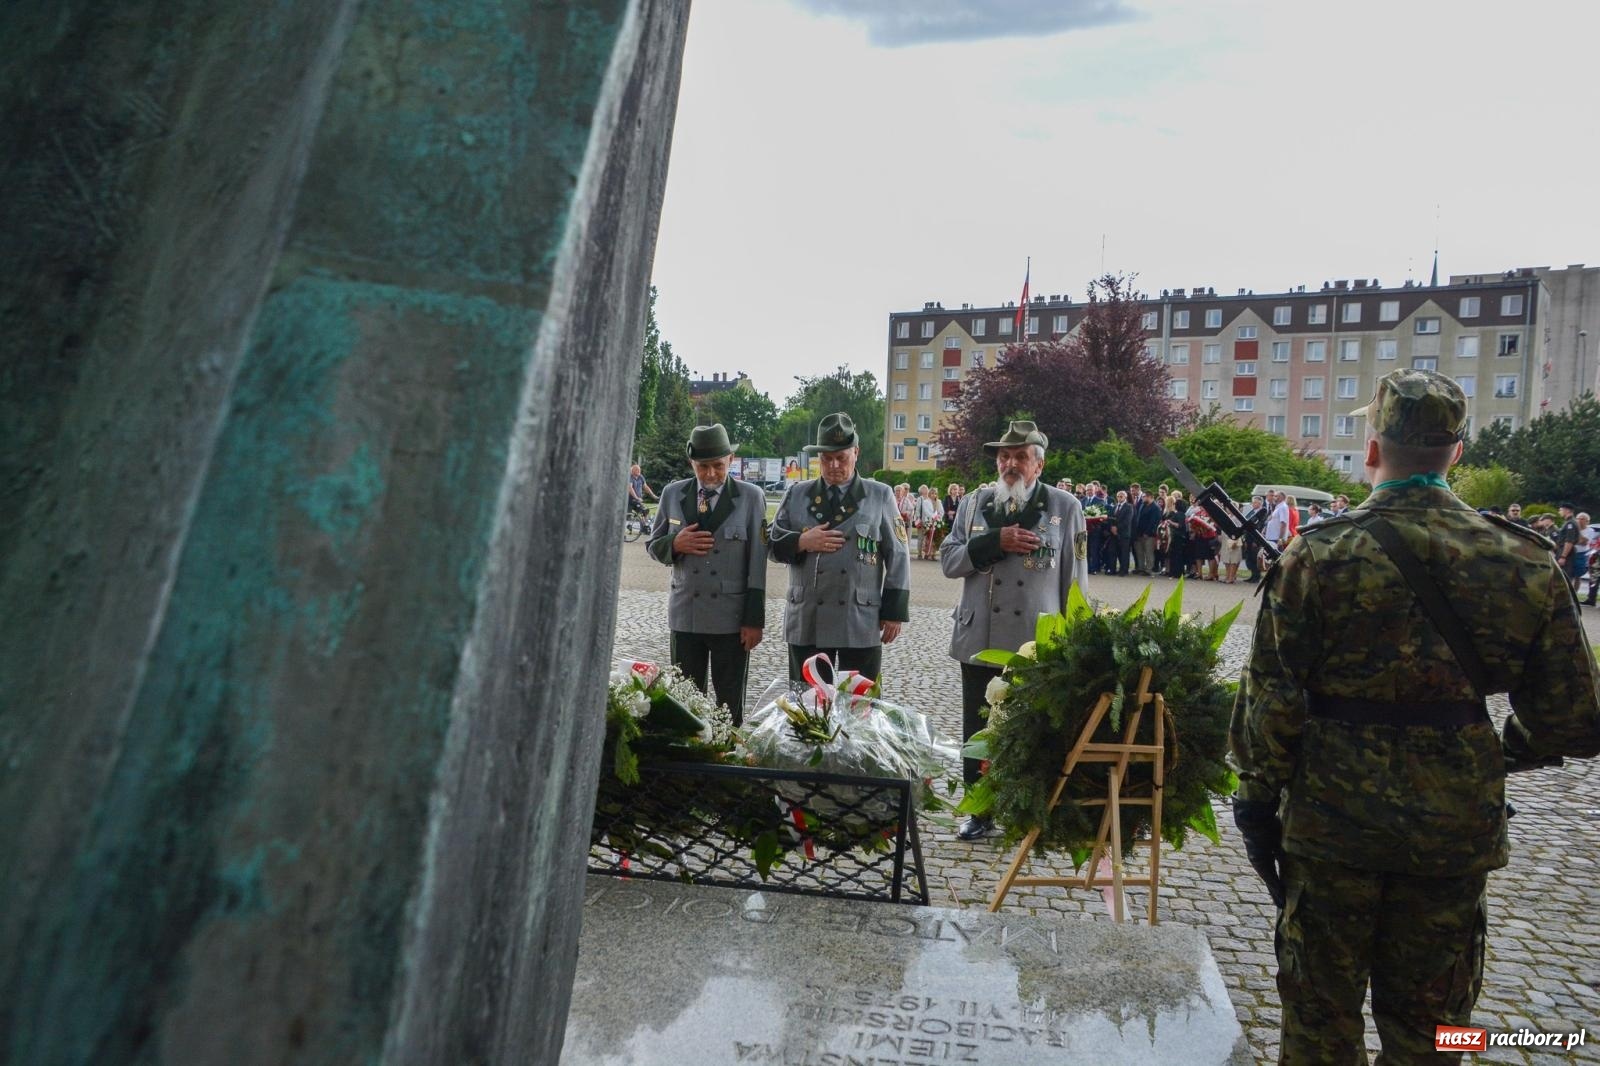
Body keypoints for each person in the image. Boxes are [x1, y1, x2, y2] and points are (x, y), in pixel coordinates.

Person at [1230, 369, 1600, 1063]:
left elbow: (1270, 705)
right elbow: (1574, 718)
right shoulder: (1523, 559)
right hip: (1451, 833)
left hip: (1332, 827)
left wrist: (1256, 798)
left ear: (1372, 449)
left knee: (1320, 1023)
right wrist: (1489, 751)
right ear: (1456, 453)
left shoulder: (1320, 553)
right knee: (1433, 1031)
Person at [941, 421, 1088, 840]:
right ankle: (979, 809)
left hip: (1034, 640)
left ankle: (1031, 813)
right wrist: (994, 542)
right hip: (980, 635)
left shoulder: (1064, 507)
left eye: (1020, 457)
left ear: (1038, 464)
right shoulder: (974, 503)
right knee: (978, 726)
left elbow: (1076, 583)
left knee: (1034, 729)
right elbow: (950, 561)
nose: (1010, 464)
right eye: (1004, 457)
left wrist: (1073, 641)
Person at [768, 413, 910, 683]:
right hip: (809, 616)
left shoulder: (879, 495)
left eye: (841, 458)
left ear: (855, 452)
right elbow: (771, 543)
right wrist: (800, 541)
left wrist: (894, 612)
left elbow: (899, 554)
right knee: (808, 704)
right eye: (825, 459)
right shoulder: (797, 494)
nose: (833, 465)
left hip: (858, 616)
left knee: (857, 708)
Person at [645, 424, 766, 722]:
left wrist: (754, 619)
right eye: (703, 467)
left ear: (731, 461)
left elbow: (757, 563)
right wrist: (675, 543)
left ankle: (728, 761)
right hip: (687, 614)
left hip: (731, 618)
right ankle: (690, 764)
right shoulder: (673, 494)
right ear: (692, 464)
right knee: (686, 704)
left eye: (718, 466)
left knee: (729, 704)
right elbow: (653, 544)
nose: (711, 474)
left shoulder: (751, 497)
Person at [1553, 503, 1581, 591]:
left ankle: (1567, 601)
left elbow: (1569, 541)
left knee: (1565, 577)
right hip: (1562, 550)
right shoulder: (1568, 522)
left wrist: (1563, 556)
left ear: (1567, 510)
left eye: (1561, 510)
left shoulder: (1570, 523)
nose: (1559, 512)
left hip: (1566, 553)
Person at [1111, 489, 1134, 576]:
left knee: (1124, 553)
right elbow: (1111, 518)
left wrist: (1117, 528)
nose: (1119, 498)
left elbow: (1127, 521)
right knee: (1114, 551)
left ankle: (1124, 570)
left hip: (1124, 533)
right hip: (1113, 534)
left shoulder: (1129, 507)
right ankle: (1112, 569)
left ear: (1125, 497)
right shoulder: (1114, 507)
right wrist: (1112, 527)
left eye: (1121, 496)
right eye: (1118, 496)